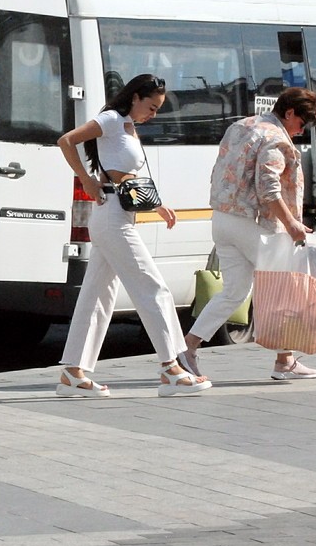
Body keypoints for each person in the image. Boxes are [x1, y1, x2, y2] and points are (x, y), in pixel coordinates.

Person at [56, 74, 211, 398]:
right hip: (111, 217)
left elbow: (128, 177)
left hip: (117, 213)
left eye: (157, 110)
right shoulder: (112, 119)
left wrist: (158, 205)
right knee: (153, 287)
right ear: (136, 97)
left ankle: (73, 372)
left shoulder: (126, 125)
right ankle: (171, 368)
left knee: (98, 296)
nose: (153, 115)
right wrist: (85, 179)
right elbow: (66, 140)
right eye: (151, 107)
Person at [181, 87, 316, 381]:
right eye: (301, 123)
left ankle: (187, 347)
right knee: (283, 285)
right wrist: (292, 224)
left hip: (222, 217)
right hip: (252, 222)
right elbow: (268, 188)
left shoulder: (241, 126)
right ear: (290, 113)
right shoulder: (275, 139)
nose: (300, 131)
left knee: (235, 290)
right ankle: (284, 362)